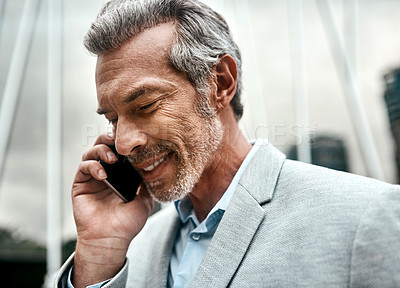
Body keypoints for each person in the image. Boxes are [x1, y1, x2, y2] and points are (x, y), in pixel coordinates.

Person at [55, 0, 400, 287]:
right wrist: (98, 254)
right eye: (113, 119)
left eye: (145, 106)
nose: (125, 142)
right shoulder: (129, 246)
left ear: (220, 82)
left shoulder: (364, 217)